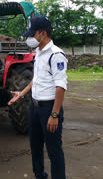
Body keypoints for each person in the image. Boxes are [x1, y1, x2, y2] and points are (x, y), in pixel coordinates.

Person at [8, 15, 68, 179]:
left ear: (42, 33)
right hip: (34, 108)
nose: (29, 38)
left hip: (49, 109)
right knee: (35, 147)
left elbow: (60, 86)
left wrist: (54, 115)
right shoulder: (39, 52)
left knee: (54, 150)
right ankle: (40, 176)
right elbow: (37, 79)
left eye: (32, 34)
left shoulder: (56, 55)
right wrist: (22, 93)